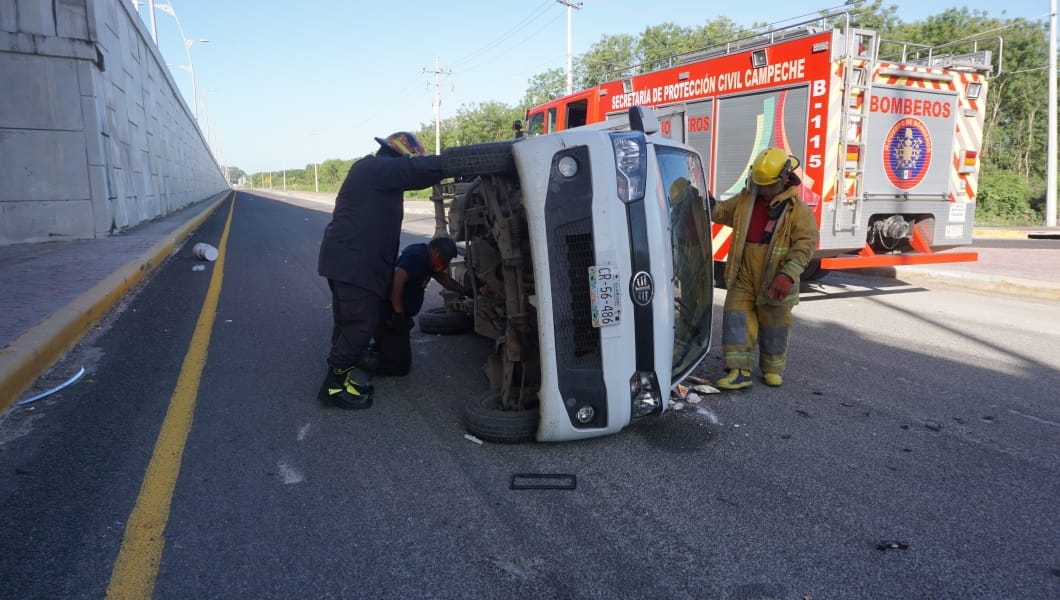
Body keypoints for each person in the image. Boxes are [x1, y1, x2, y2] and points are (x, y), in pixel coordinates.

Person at [317, 131, 446, 409]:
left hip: (347, 261)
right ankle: (333, 387)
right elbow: (414, 171)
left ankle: (341, 377)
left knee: (346, 324)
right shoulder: (376, 168)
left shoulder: (373, 173)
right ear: (399, 156)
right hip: (356, 265)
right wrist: (453, 163)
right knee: (359, 327)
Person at [710, 147, 820, 390]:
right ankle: (739, 371)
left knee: (775, 324)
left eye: (768, 186)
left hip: (775, 276)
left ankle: (772, 367)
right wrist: (706, 203)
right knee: (736, 316)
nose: (763, 191)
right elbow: (723, 211)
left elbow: (805, 244)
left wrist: (788, 275)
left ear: (784, 179)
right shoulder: (747, 199)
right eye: (759, 185)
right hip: (744, 271)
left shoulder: (797, 211)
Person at [358, 236, 466, 376]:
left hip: (393, 314)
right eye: (446, 260)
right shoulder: (418, 257)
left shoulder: (429, 259)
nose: (446, 264)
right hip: (388, 314)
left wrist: (467, 291)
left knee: (393, 349)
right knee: (399, 366)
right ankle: (357, 357)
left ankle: (377, 348)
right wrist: (398, 312)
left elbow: (444, 279)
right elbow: (398, 277)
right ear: (437, 252)